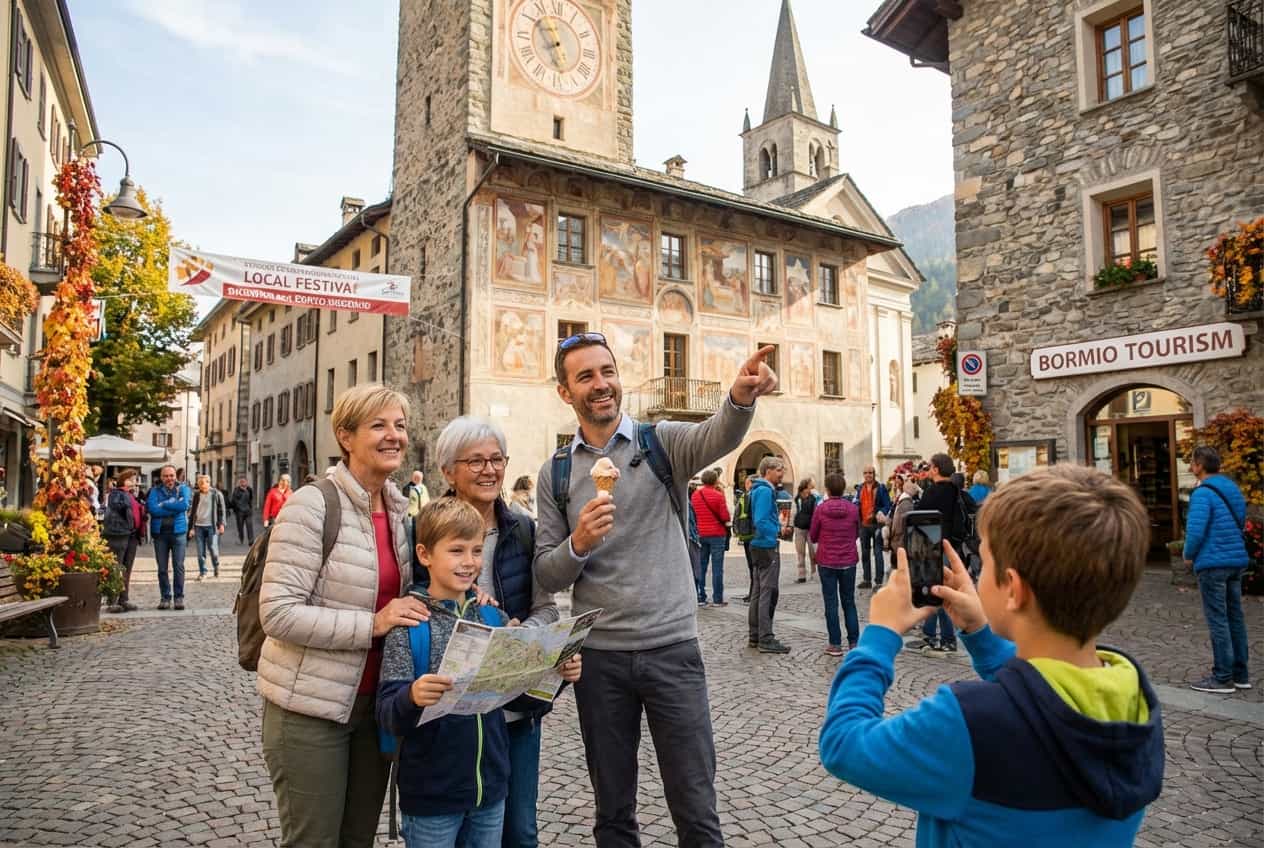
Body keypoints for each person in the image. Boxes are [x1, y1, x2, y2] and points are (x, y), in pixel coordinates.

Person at [820, 464, 1163, 847]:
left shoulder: (968, 722)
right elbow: (1045, 705)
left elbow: (844, 744)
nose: (975, 573)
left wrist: (880, 636)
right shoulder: (1134, 700)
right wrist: (980, 633)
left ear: (1013, 589)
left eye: (984, 563)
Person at [533, 332, 776, 847]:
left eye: (607, 372)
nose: (601, 385)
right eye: (586, 377)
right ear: (565, 392)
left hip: (672, 650)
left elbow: (718, 435)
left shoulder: (659, 443)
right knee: (614, 813)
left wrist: (741, 396)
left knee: (695, 808)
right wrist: (577, 543)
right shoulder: (555, 474)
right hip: (599, 660)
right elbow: (547, 574)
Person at [258, 385, 426, 848]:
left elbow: (405, 597)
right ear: (345, 436)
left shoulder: (396, 510)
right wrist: (373, 624)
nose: (394, 436)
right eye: (379, 425)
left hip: (375, 709)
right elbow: (278, 613)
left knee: (357, 841)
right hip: (310, 710)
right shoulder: (312, 505)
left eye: (400, 425)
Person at [378, 498, 582, 848]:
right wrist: (411, 697)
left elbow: (519, 696)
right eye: (456, 550)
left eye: (476, 551)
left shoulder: (493, 618)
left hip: (489, 789)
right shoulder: (410, 625)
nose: (469, 562)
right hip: (432, 795)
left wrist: (558, 674)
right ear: (425, 555)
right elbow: (386, 713)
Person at [436, 416, 561, 847]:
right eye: (476, 461)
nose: (489, 469)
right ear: (448, 471)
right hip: (450, 715)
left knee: (520, 831)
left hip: (515, 708)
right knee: (455, 830)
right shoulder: (423, 534)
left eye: (496, 459)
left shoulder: (525, 530)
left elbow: (546, 608)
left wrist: (521, 635)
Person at [1183, 446, 1251, 693]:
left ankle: (1222, 677)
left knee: (1218, 620)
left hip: (1213, 563)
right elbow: (1241, 522)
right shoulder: (1231, 488)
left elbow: (1196, 530)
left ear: (1200, 465)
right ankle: (1241, 674)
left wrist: (1188, 554)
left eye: (1192, 462)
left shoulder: (1202, 493)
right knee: (1235, 617)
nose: (1190, 466)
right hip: (1235, 561)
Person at [910, 454, 965, 655]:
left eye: (931, 467)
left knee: (935, 592)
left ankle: (941, 638)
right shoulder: (956, 491)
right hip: (951, 547)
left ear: (936, 469)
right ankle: (934, 634)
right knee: (940, 590)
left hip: (933, 546)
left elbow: (918, 517)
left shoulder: (933, 492)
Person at [809, 473, 860, 656]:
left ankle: (835, 644)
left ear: (828, 489)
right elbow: (857, 532)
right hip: (848, 560)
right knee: (849, 602)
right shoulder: (853, 509)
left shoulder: (821, 509)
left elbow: (813, 535)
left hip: (827, 561)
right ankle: (854, 642)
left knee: (831, 602)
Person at [749, 456, 789, 654]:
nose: (782, 474)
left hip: (757, 545)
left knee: (758, 591)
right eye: (780, 470)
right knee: (767, 592)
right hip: (766, 545)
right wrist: (776, 532)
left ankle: (755, 635)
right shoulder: (765, 491)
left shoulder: (756, 490)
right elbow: (761, 520)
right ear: (769, 471)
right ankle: (765, 637)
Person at [147, 465, 191, 611]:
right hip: (160, 534)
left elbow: (184, 505)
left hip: (178, 533)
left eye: (171, 475)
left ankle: (179, 597)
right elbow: (152, 509)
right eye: (166, 476)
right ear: (161, 477)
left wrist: (165, 504)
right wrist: (173, 506)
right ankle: (165, 597)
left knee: (178, 566)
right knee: (162, 568)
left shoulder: (183, 489)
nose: (169, 479)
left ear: (175, 476)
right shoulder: (154, 491)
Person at [103, 469, 144, 613]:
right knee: (117, 567)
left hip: (132, 535)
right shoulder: (116, 494)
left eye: (135, 479)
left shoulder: (130, 495)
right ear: (123, 480)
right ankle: (112, 600)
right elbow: (119, 507)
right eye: (131, 479)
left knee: (127, 568)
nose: (134, 482)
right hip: (119, 535)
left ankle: (124, 599)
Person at [690, 469, 731, 607]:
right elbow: (725, 516)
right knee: (717, 568)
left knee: (700, 566)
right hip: (717, 534)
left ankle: (700, 597)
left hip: (701, 534)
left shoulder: (695, 495)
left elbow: (693, 515)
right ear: (715, 480)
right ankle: (717, 599)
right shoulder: (718, 495)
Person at [854, 465, 892, 589]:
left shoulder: (881, 488)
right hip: (864, 525)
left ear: (874, 474)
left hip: (877, 525)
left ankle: (879, 582)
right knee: (865, 553)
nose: (868, 475)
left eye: (870, 472)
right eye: (865, 473)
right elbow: (856, 504)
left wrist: (881, 512)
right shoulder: (860, 488)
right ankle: (867, 580)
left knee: (877, 553)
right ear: (863, 474)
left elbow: (887, 505)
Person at [189, 474, 226, 580]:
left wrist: (222, 524)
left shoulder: (216, 494)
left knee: (213, 549)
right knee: (200, 552)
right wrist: (191, 528)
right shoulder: (196, 495)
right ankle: (203, 572)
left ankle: (216, 566)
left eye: (202, 483)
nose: (200, 485)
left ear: (208, 482)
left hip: (212, 526)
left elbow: (221, 510)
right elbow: (193, 512)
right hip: (199, 526)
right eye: (199, 483)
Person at [887, 478, 921, 580]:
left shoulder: (905, 503)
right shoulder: (904, 501)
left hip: (900, 543)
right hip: (900, 543)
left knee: (900, 573)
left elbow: (898, 527)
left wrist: (891, 538)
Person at [792, 477, 819, 583]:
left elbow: (817, 510)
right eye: (811, 484)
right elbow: (794, 512)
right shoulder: (797, 498)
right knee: (800, 552)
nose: (813, 486)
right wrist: (791, 525)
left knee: (813, 552)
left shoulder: (814, 497)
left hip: (811, 528)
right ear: (806, 485)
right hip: (799, 528)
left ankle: (814, 573)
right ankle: (801, 575)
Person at [735, 476, 756, 604]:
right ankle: (753, 593)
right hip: (753, 533)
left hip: (747, 534)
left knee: (753, 567)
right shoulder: (755, 496)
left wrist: (737, 531)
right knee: (755, 567)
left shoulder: (746, 496)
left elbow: (737, 515)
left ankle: (753, 594)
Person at [230, 477, 255, 545]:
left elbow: (251, 499)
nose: (243, 483)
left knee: (249, 526)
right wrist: (237, 508)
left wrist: (250, 508)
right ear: (239, 483)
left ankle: (251, 540)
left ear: (246, 482)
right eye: (241, 482)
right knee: (240, 527)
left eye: (244, 481)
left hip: (247, 511)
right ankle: (241, 539)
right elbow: (234, 500)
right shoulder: (236, 490)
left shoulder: (249, 489)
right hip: (239, 512)